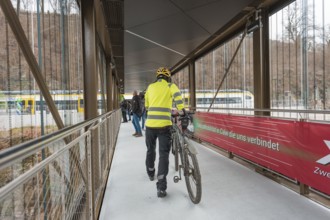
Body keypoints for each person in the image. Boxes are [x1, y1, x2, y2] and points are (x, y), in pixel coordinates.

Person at [144, 67, 184, 198]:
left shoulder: (150, 87)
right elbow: (178, 98)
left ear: (157, 77)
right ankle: (161, 187)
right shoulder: (170, 85)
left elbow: (147, 106)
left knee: (150, 150)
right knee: (163, 155)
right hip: (164, 126)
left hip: (150, 125)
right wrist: (182, 110)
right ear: (168, 77)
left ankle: (150, 173)